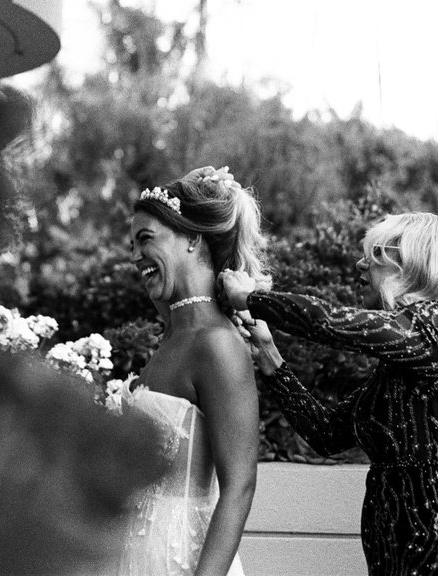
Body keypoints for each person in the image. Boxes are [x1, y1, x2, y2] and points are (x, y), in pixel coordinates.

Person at [219, 212, 438, 576]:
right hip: (397, 548)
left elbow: (333, 322)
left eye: (376, 255)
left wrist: (253, 298)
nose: (361, 265)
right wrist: (269, 355)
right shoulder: (406, 360)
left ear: (415, 264)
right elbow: (326, 434)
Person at [115, 166, 269, 576]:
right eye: (132, 244)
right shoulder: (172, 338)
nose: (134, 256)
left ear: (193, 239)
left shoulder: (217, 345)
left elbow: (239, 487)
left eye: (145, 239)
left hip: (183, 562)